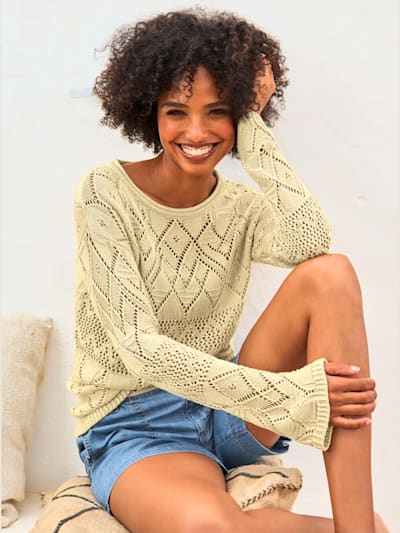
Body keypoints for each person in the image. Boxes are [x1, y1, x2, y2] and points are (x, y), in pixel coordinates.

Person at [68, 8, 388, 533]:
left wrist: (252, 125)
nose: (196, 131)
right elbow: (139, 348)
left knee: (330, 274)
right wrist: (289, 397)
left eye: (217, 112)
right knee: (209, 527)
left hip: (227, 412)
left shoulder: (241, 208)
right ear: (149, 111)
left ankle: (356, 525)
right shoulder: (104, 192)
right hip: (139, 427)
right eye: (176, 111)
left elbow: (311, 241)